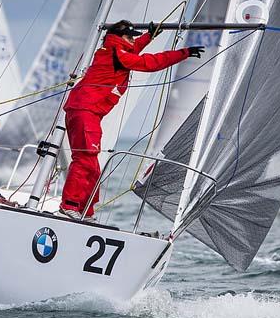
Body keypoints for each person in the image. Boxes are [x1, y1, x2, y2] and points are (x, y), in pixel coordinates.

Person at [59, 20, 204, 221]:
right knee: (85, 160)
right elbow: (148, 63)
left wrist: (150, 36)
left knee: (91, 164)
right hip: (85, 111)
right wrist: (183, 53)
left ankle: (86, 211)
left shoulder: (113, 49)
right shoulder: (117, 53)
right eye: (130, 36)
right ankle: (70, 205)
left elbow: (132, 49)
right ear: (120, 37)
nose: (133, 40)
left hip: (85, 111)